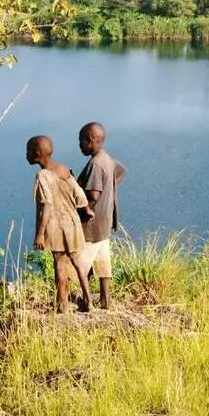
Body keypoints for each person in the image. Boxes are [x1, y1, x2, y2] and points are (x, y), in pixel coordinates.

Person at [26, 135, 95, 314]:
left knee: (59, 262)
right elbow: (80, 198)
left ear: (36, 154)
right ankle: (88, 300)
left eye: (27, 151)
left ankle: (62, 304)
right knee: (77, 260)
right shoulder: (64, 170)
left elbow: (47, 204)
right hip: (72, 223)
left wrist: (40, 233)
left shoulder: (42, 175)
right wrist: (86, 211)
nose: (25, 154)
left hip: (56, 226)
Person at [77, 122, 126, 310]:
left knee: (82, 264)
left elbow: (94, 196)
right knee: (103, 261)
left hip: (92, 224)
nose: (79, 145)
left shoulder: (96, 164)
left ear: (90, 141)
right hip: (105, 222)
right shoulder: (106, 158)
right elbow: (120, 171)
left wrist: (84, 210)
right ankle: (105, 299)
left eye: (81, 141)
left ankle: (86, 300)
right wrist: (109, 187)